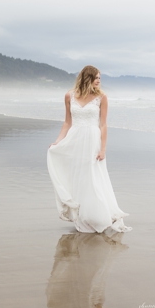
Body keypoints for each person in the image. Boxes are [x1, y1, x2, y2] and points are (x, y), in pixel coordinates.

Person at [47, 65, 131, 234]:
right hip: (75, 140)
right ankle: (82, 216)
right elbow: (67, 123)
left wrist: (103, 148)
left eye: (100, 78)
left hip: (93, 141)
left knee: (93, 178)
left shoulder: (102, 97)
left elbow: (103, 124)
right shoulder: (69, 96)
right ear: (87, 78)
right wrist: (57, 142)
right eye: (96, 77)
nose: (99, 81)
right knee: (79, 177)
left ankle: (98, 217)